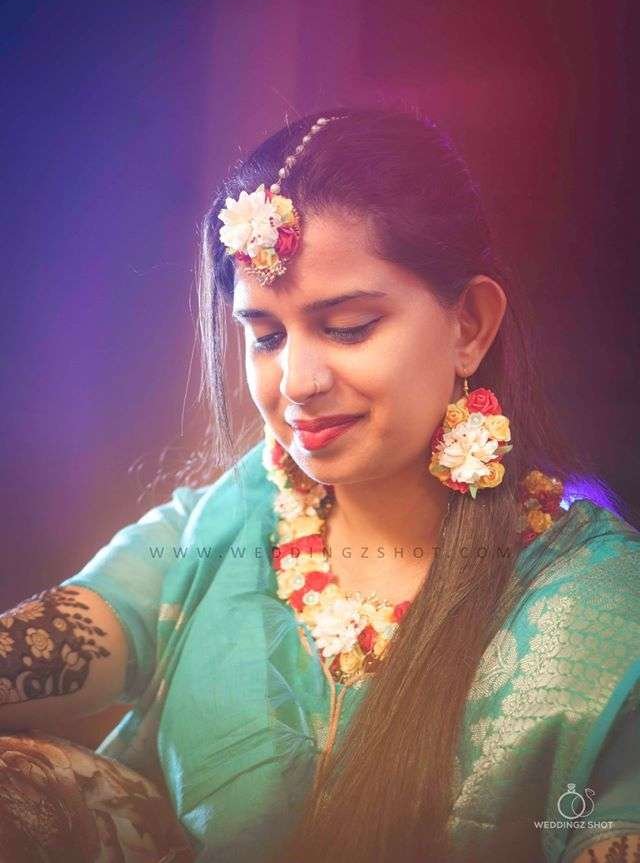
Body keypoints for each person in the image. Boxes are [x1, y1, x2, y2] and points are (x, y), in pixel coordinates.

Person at [0, 107, 639, 863]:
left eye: (347, 326)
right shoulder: (226, 523)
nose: (297, 382)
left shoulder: (597, 606)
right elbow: (69, 636)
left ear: (468, 324)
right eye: (266, 336)